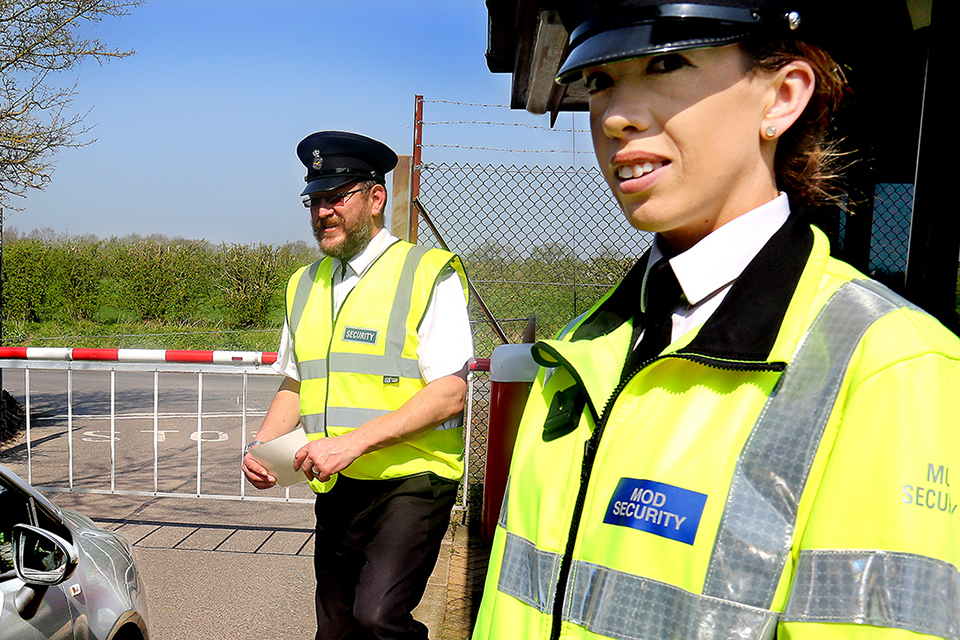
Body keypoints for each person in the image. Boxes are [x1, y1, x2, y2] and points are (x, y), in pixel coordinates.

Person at [473, 2, 960, 639]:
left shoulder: (891, 369)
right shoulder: (579, 349)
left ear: (781, 97)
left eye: (666, 64)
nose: (617, 116)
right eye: (600, 81)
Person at [242, 130, 473, 640]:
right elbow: (295, 381)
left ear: (375, 198)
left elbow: (450, 392)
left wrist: (351, 443)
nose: (322, 212)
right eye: (314, 200)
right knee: (337, 626)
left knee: (379, 618)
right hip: (338, 483)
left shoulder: (426, 272)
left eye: (335, 198)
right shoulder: (304, 283)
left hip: (412, 479)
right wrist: (261, 446)